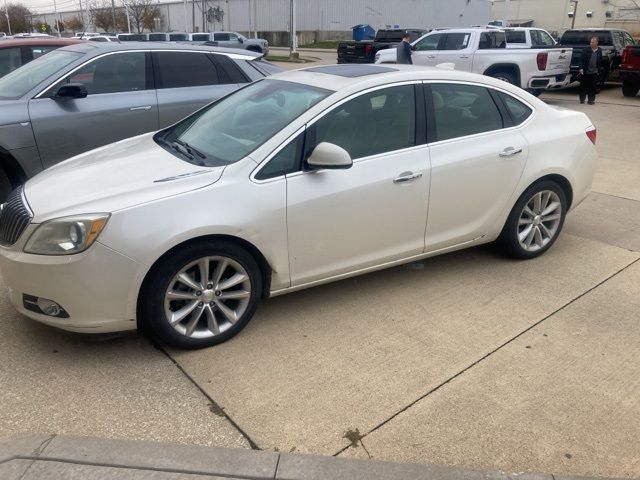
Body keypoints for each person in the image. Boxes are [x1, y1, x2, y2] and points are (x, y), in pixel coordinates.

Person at [578, 36, 603, 105]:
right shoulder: (586, 50)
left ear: (597, 43)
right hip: (585, 71)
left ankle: (591, 100)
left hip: (594, 72)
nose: (591, 43)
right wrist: (580, 68)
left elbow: (600, 61)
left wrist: (599, 70)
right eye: (590, 42)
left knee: (592, 87)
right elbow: (581, 60)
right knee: (583, 86)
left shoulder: (599, 50)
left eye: (593, 42)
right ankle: (582, 99)